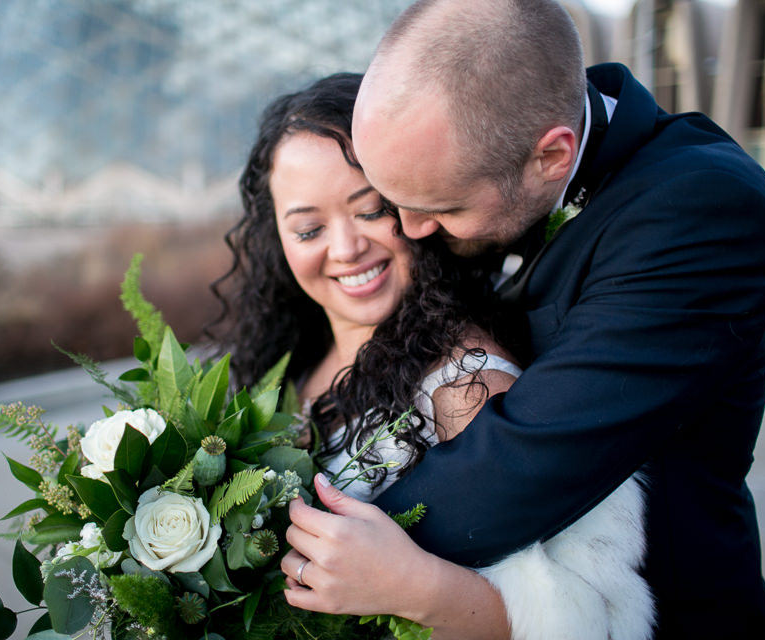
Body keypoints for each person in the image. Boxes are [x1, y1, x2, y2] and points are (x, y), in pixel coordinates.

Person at [345, 1, 765, 638]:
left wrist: (324, 553)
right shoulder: (472, 164)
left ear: (553, 156)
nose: (410, 231)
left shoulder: (703, 207)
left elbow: (529, 458)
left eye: (440, 206)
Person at [211, 72, 653, 640]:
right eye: (309, 228)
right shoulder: (287, 365)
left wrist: (412, 587)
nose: (345, 249)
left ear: (414, 199)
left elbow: (592, 616)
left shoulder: (467, 383)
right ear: (278, 237)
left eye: (371, 211)